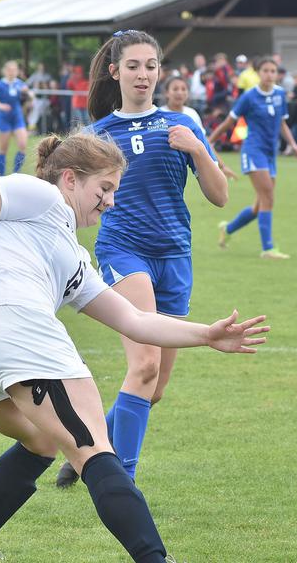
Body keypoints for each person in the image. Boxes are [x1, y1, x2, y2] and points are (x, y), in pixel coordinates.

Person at [0, 132, 270, 563]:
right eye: (106, 188)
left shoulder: (75, 261)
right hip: (14, 327)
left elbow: (135, 321)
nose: (111, 201)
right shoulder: (38, 196)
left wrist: (206, 335)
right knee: (95, 451)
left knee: (42, 440)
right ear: (70, 179)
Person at [54, 30, 230, 488]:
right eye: (133, 66)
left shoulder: (181, 125)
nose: (143, 74)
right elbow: (62, 194)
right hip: (122, 250)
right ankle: (119, 485)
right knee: (144, 366)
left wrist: (197, 150)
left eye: (151, 65)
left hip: (175, 254)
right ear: (115, 72)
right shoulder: (97, 135)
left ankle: (86, 452)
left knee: (155, 388)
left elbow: (220, 196)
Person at [208, 57, 297, 258]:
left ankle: (228, 229)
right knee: (268, 196)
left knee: (260, 204)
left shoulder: (279, 94)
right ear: (258, 73)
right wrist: (210, 140)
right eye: (266, 70)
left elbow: (283, 124)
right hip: (253, 151)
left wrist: (293, 144)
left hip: (270, 154)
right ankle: (268, 248)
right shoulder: (249, 97)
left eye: (273, 71)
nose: (269, 74)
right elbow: (228, 122)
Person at [160, 75, 238, 180]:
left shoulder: (191, 114)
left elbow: (204, 142)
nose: (180, 92)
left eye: (184, 89)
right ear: (166, 93)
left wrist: (222, 166)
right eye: (175, 89)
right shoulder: (159, 114)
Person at [0, 60, 30, 175]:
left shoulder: (20, 84)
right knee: (3, 149)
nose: (11, 72)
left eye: (14, 70)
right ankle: (1, 176)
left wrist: (28, 94)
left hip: (17, 118)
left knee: (22, 145)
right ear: (5, 71)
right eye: (9, 70)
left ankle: (15, 174)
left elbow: (31, 96)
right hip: (4, 118)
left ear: (17, 71)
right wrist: (1, 105)